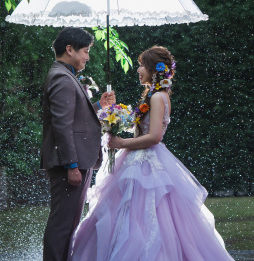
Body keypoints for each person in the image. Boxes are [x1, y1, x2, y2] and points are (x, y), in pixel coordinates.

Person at [71, 45, 234, 261]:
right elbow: (143, 128)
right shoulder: (154, 95)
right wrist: (115, 117)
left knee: (145, 214)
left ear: (153, 70)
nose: (138, 69)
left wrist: (121, 143)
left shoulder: (157, 97)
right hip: (138, 158)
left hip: (146, 162)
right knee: (124, 213)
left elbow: (154, 136)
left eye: (141, 65)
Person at [42, 27, 115, 261]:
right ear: (69, 49)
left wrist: (99, 107)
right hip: (70, 165)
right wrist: (71, 165)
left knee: (69, 222)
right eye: (85, 51)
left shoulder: (67, 75)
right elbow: (62, 127)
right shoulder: (62, 78)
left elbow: (76, 120)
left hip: (77, 162)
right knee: (62, 224)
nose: (88, 56)